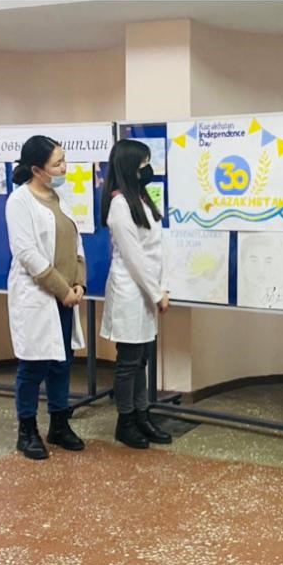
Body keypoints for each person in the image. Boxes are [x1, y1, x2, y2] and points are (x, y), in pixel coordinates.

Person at [6, 135, 87, 460]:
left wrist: (79, 283)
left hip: (66, 297)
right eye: (57, 163)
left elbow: (76, 242)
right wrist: (62, 289)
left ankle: (59, 424)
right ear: (37, 170)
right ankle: (26, 431)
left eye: (64, 160)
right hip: (39, 295)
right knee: (33, 366)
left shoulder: (60, 196)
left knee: (61, 364)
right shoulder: (19, 202)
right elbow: (26, 253)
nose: (64, 167)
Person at [100, 139, 172, 449]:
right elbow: (134, 258)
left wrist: (160, 288)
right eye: (143, 164)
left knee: (141, 360)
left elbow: (156, 250)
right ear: (130, 167)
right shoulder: (119, 205)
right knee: (128, 362)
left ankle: (142, 415)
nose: (148, 169)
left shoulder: (140, 199)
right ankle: (125, 421)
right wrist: (157, 294)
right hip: (130, 292)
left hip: (145, 292)